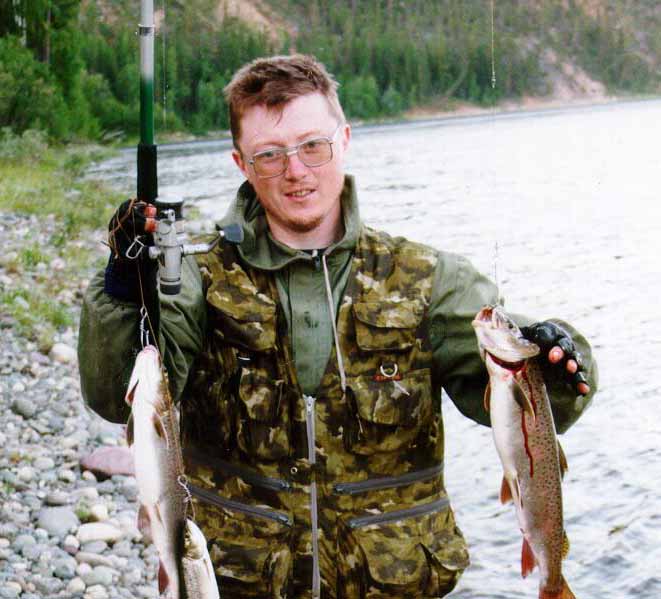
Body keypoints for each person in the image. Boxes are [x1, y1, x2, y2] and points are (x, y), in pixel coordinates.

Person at [78, 54, 597, 599]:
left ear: (344, 140)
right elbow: (119, 398)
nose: (296, 170)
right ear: (241, 163)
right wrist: (122, 292)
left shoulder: (429, 279)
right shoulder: (195, 277)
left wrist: (558, 358)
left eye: (313, 146)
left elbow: (543, 408)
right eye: (269, 154)